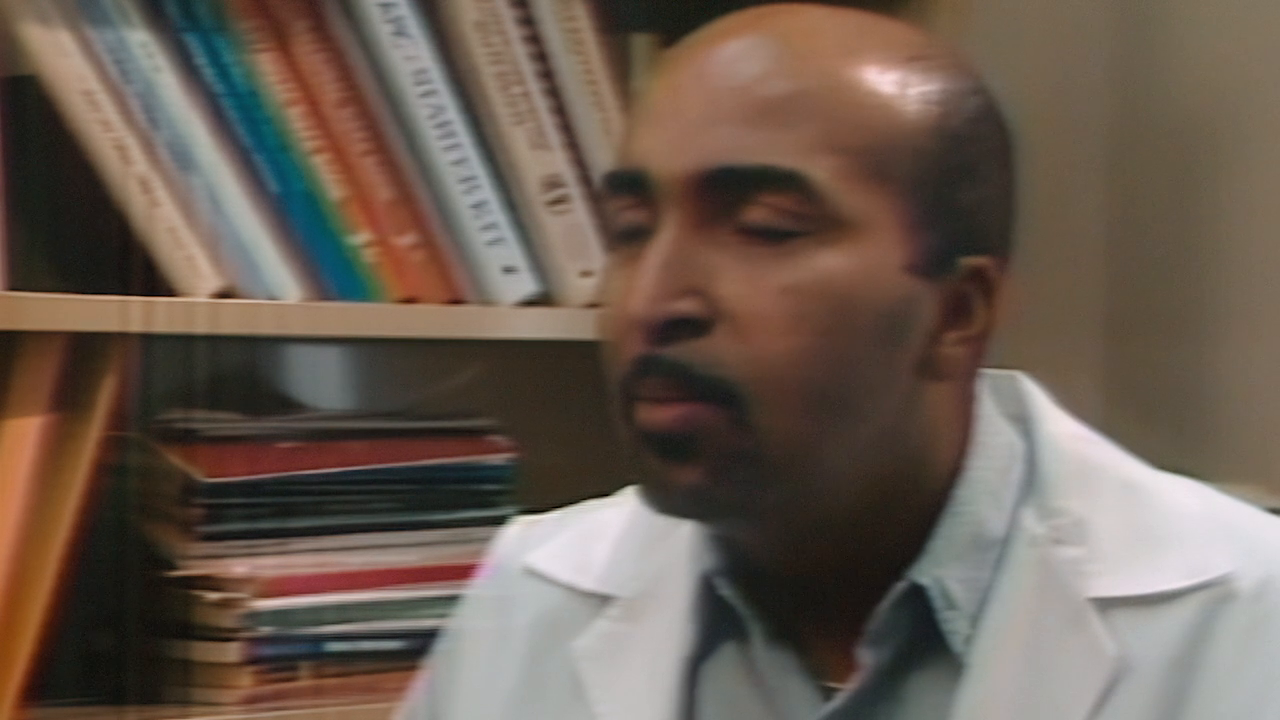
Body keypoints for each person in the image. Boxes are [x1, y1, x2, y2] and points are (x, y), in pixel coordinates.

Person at [398, 5, 1280, 719]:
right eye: (631, 231)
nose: (653, 300)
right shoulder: (531, 596)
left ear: (957, 312)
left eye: (765, 229)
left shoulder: (1241, 623)